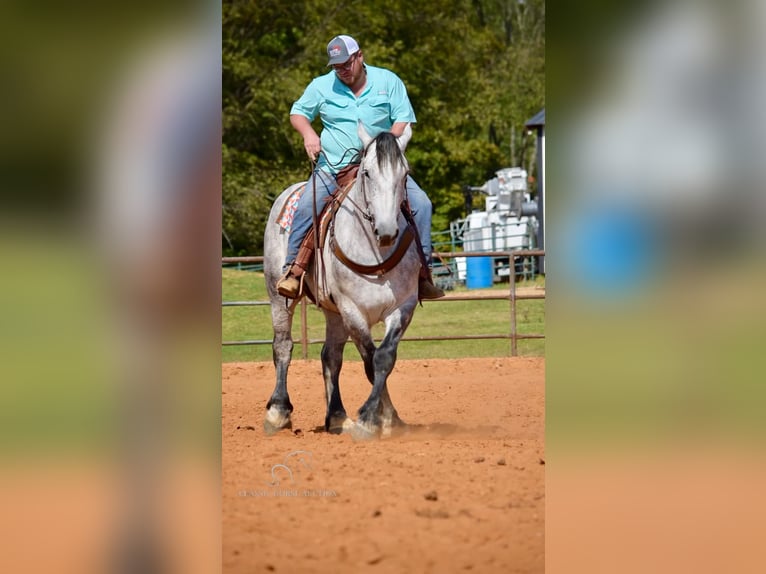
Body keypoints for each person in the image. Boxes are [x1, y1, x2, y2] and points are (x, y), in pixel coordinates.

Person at [277, 34, 444, 300]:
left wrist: (385, 149)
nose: (341, 70)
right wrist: (308, 134)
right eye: (336, 66)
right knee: (308, 206)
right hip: (334, 166)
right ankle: (293, 271)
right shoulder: (320, 86)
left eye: (346, 63)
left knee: (422, 204)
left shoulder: (388, 81)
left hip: (381, 166)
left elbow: (402, 119)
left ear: (359, 56)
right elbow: (297, 113)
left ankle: (424, 274)